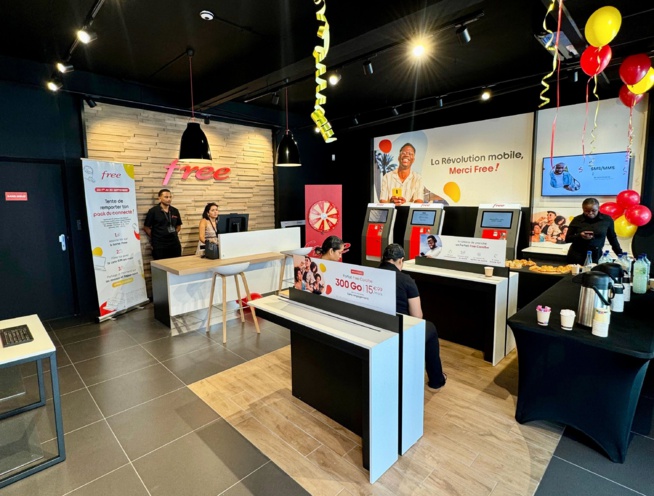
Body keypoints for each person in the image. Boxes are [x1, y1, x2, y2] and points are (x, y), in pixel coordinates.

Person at [379, 244, 446, 391]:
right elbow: (417, 316)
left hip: (378, 325)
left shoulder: (372, 274)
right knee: (430, 328)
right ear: (400, 260)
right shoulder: (406, 280)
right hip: (400, 328)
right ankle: (436, 380)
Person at [565, 197, 623, 264]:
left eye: (593, 210)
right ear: (583, 209)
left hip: (596, 256)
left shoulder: (607, 220)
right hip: (576, 256)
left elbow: (612, 239)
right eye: (586, 211)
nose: (590, 213)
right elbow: (567, 239)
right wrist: (580, 236)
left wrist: (621, 255)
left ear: (598, 208)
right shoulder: (577, 220)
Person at [144, 189, 183, 260]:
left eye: (170, 197)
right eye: (166, 197)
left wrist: (174, 233)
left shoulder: (175, 211)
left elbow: (178, 225)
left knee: (176, 263)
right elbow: (146, 227)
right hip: (160, 244)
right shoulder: (153, 211)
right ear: (159, 198)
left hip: (174, 243)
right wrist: (156, 237)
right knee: (160, 264)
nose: (169, 199)